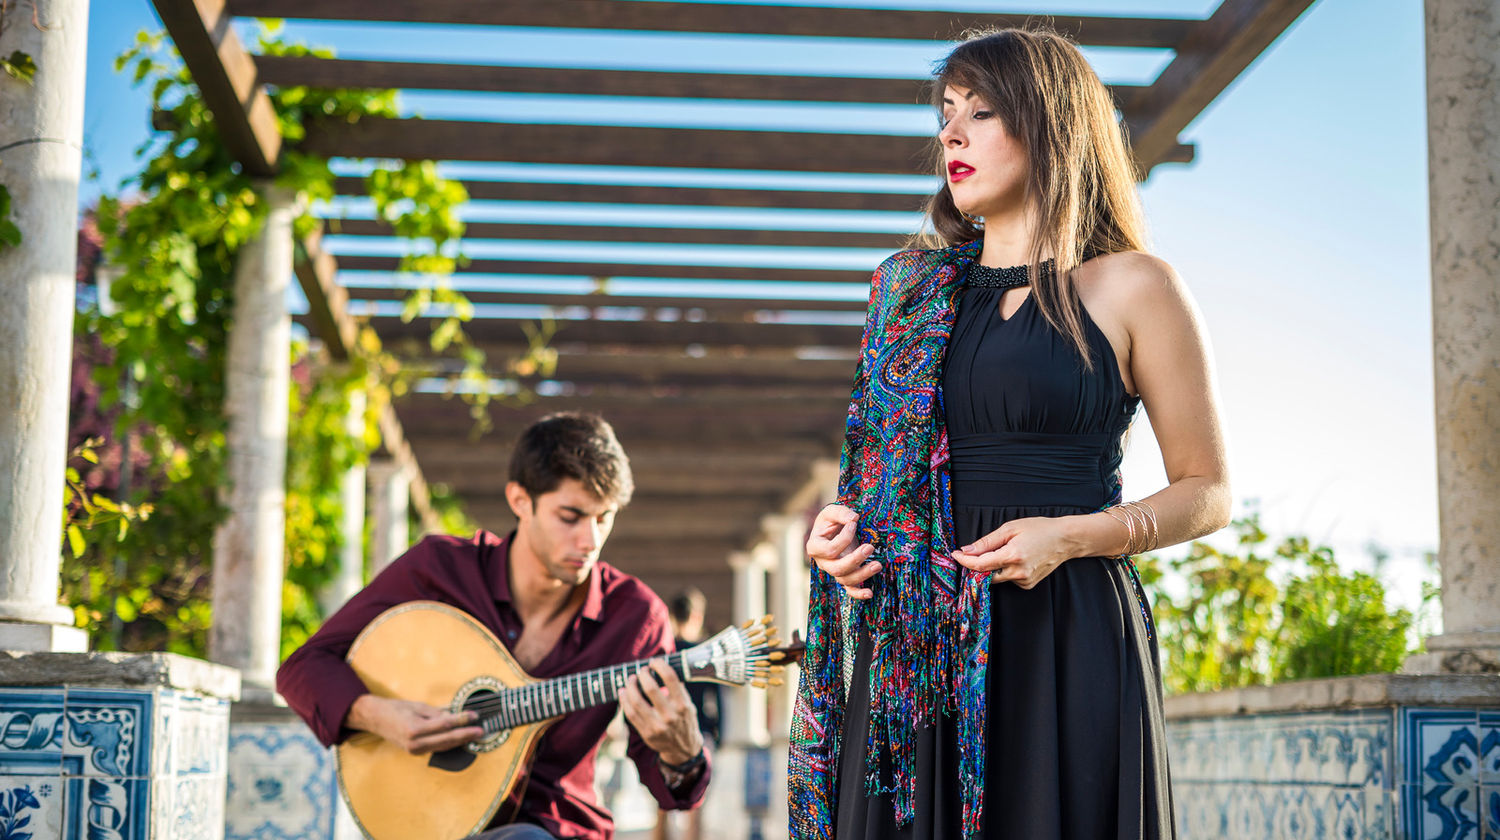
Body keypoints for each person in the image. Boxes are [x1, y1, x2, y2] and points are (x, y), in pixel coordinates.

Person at [787, 26, 1231, 840]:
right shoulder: (908, 294)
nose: (951, 133)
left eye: (981, 112)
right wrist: (838, 540)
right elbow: (876, 487)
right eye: (946, 113)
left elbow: (1208, 491)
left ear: (1052, 126)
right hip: (913, 647)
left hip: (1064, 629)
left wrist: (1073, 537)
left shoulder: (1134, 285)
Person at [277, 412, 711, 840]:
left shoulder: (634, 618)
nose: (590, 541)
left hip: (552, 829)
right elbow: (303, 667)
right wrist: (378, 715)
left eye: (604, 518)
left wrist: (682, 755)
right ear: (520, 500)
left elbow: (672, 792)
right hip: (425, 819)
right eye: (571, 516)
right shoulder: (439, 572)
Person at [654, 588, 722, 840]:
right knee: (696, 803)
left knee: (662, 803)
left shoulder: (664, 655)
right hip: (699, 734)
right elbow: (715, 702)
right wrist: (718, 735)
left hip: (665, 733)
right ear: (697, 616)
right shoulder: (704, 655)